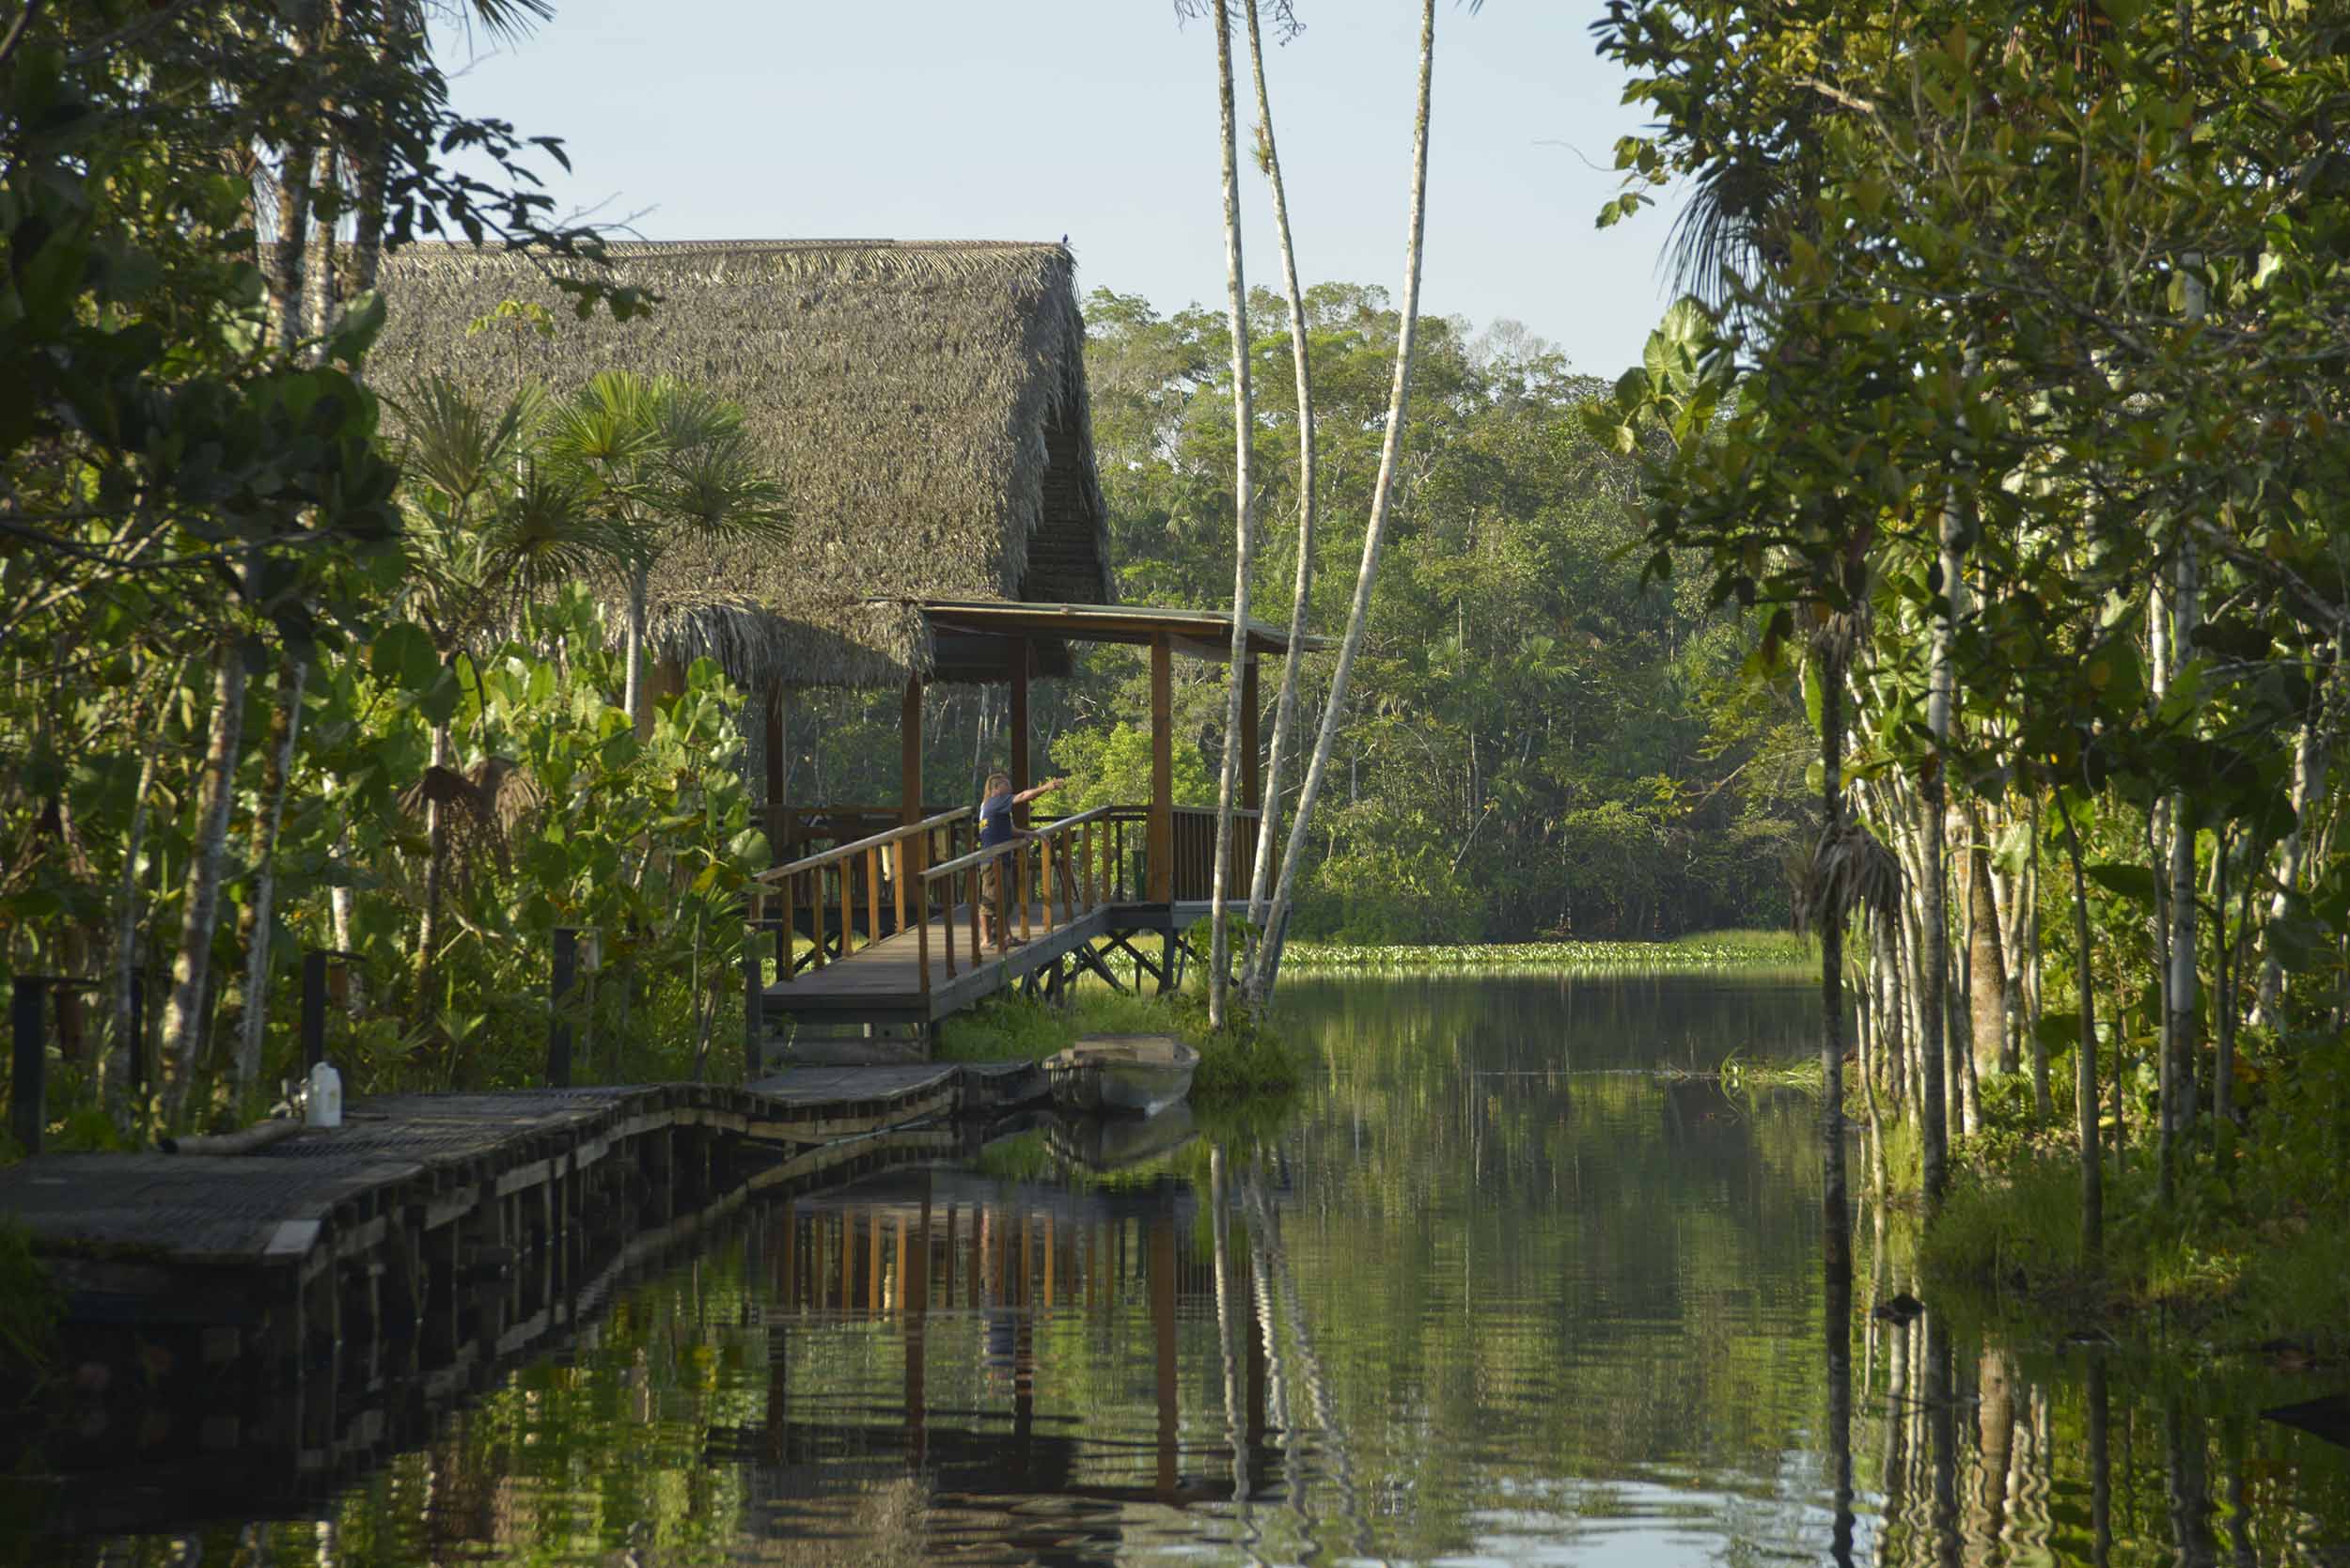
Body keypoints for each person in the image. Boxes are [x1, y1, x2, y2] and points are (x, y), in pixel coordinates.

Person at [977, 771, 1067, 947]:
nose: (1010, 787)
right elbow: (1024, 796)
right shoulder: (996, 801)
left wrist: (1030, 834)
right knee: (990, 900)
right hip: (992, 861)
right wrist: (1046, 787)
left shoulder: (992, 806)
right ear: (996, 788)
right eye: (1006, 784)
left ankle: (1007, 936)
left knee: (1006, 900)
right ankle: (986, 939)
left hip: (1002, 859)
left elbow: (1009, 830)